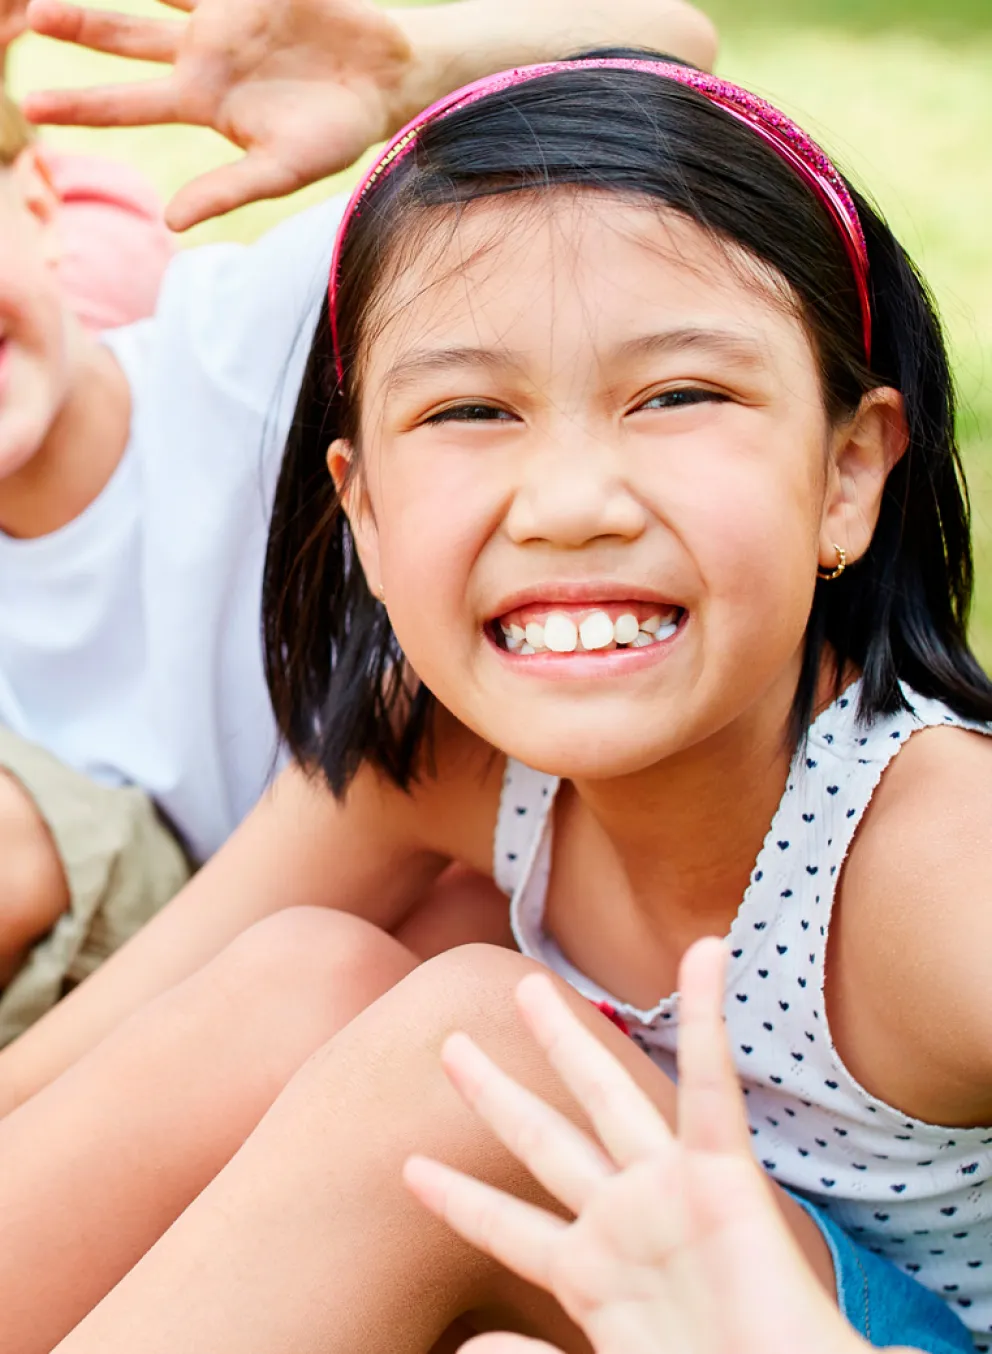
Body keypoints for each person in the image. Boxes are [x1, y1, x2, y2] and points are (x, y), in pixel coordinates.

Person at [0, 48, 987, 1354]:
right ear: (359, 507)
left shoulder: (937, 863)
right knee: (308, 978)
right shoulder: (444, 752)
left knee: (467, 1053)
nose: (572, 502)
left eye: (679, 395)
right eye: (473, 409)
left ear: (848, 474)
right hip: (654, 1273)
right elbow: (92, 1056)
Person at [0, 0, 716, 1043]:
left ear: (41, 206)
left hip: (420, 934)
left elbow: (660, 65)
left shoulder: (252, 340)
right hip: (174, 958)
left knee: (446, 924)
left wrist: (409, 69)